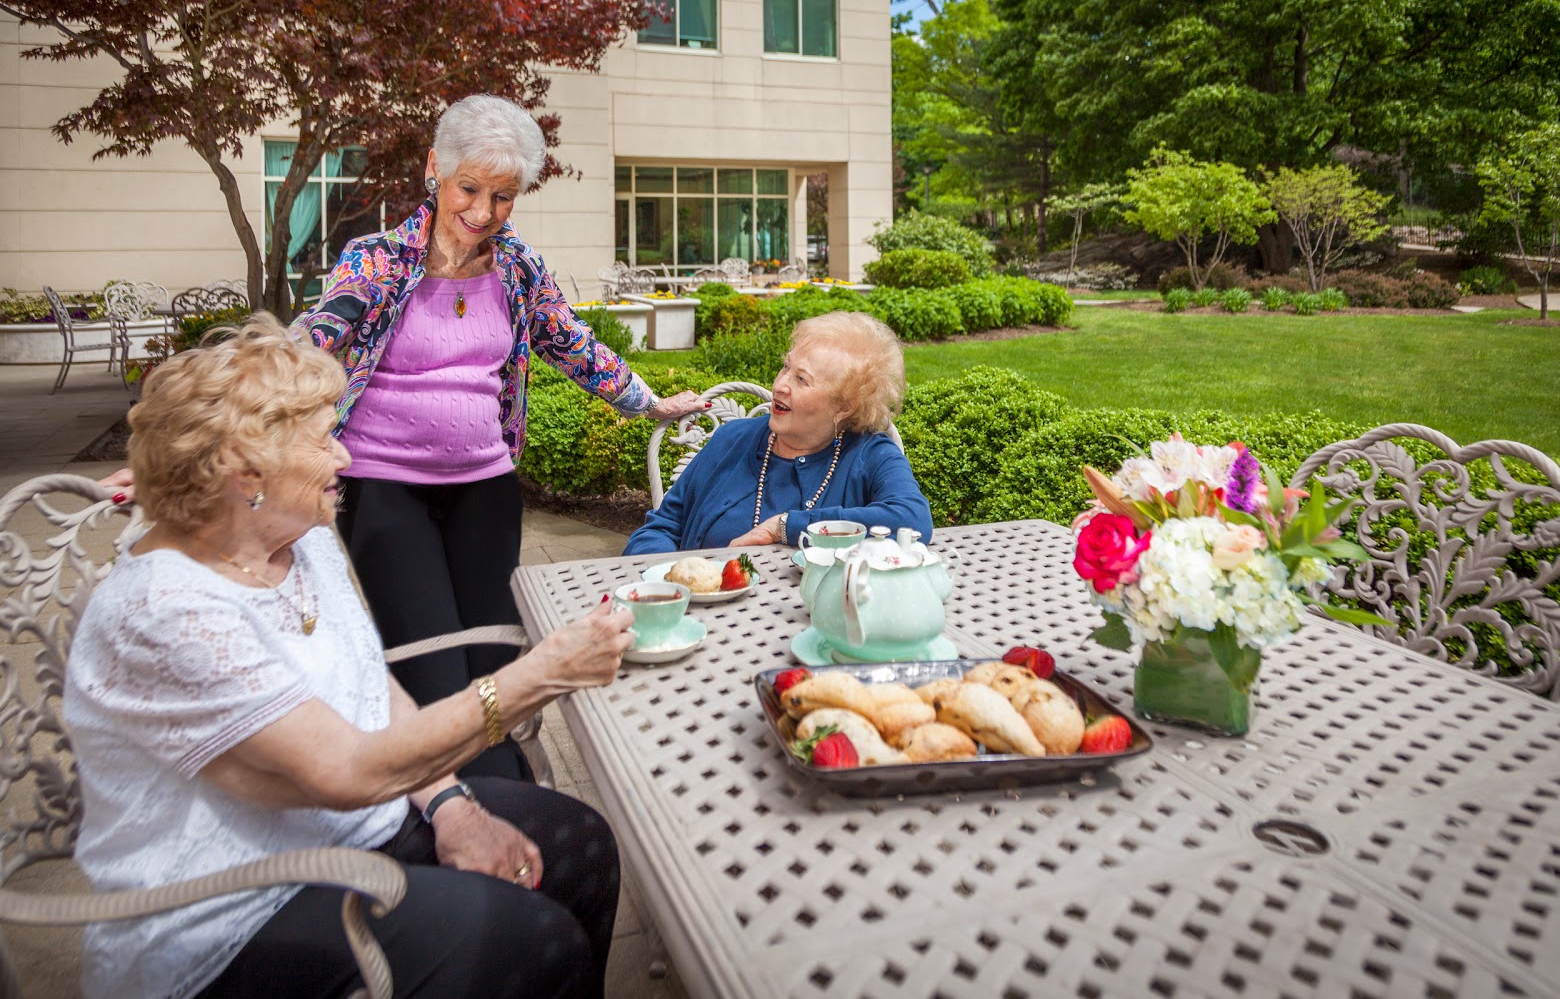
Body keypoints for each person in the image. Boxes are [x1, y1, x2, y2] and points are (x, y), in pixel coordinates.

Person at [66, 316, 634, 999]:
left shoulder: (299, 534)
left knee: (583, 845)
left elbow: (371, 685)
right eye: (324, 440)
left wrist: (450, 802)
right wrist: (537, 676)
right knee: (536, 941)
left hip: (357, 831)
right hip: (230, 913)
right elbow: (346, 770)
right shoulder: (165, 609)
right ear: (247, 472)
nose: (345, 458)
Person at [291, 94, 702, 782]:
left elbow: (572, 344)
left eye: (503, 196)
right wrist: (201, 445)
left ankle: (499, 798)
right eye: (470, 189)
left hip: (484, 487)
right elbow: (306, 352)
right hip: (385, 489)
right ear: (435, 171)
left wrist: (649, 402)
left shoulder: (517, 269)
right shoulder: (377, 262)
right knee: (430, 665)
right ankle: (458, 804)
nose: (483, 212)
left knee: (494, 665)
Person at [624, 310, 934, 553]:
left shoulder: (870, 455)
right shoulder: (732, 439)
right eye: (786, 367)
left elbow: (911, 518)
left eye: (802, 379)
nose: (780, 385)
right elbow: (662, 527)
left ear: (844, 407)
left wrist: (786, 526)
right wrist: (665, 578)